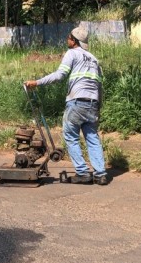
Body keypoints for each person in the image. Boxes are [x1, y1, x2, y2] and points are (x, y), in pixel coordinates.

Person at [25, 26, 110, 185]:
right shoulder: (93, 59)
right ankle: (101, 174)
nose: (67, 39)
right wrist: (98, 106)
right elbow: (99, 85)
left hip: (77, 102)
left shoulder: (72, 53)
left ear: (74, 40)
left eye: (69, 37)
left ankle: (83, 173)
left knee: (71, 137)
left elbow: (60, 75)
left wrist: (36, 82)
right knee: (92, 138)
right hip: (93, 103)